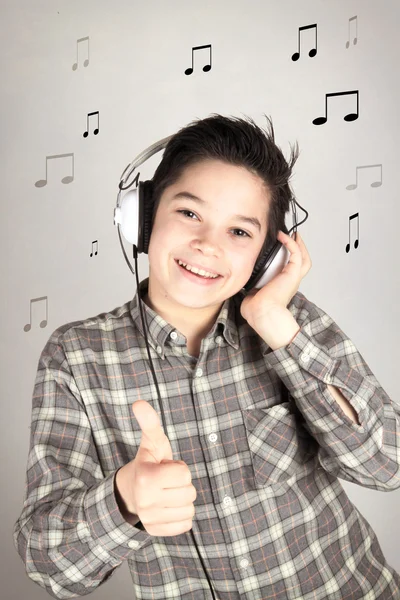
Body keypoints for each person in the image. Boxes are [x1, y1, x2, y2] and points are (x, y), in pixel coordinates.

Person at [13, 114, 400, 599]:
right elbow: (48, 567)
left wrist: (280, 330)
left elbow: (387, 466)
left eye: (240, 232)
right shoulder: (76, 358)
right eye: (190, 213)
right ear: (144, 217)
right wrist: (122, 500)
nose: (208, 245)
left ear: (265, 259)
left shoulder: (288, 321)